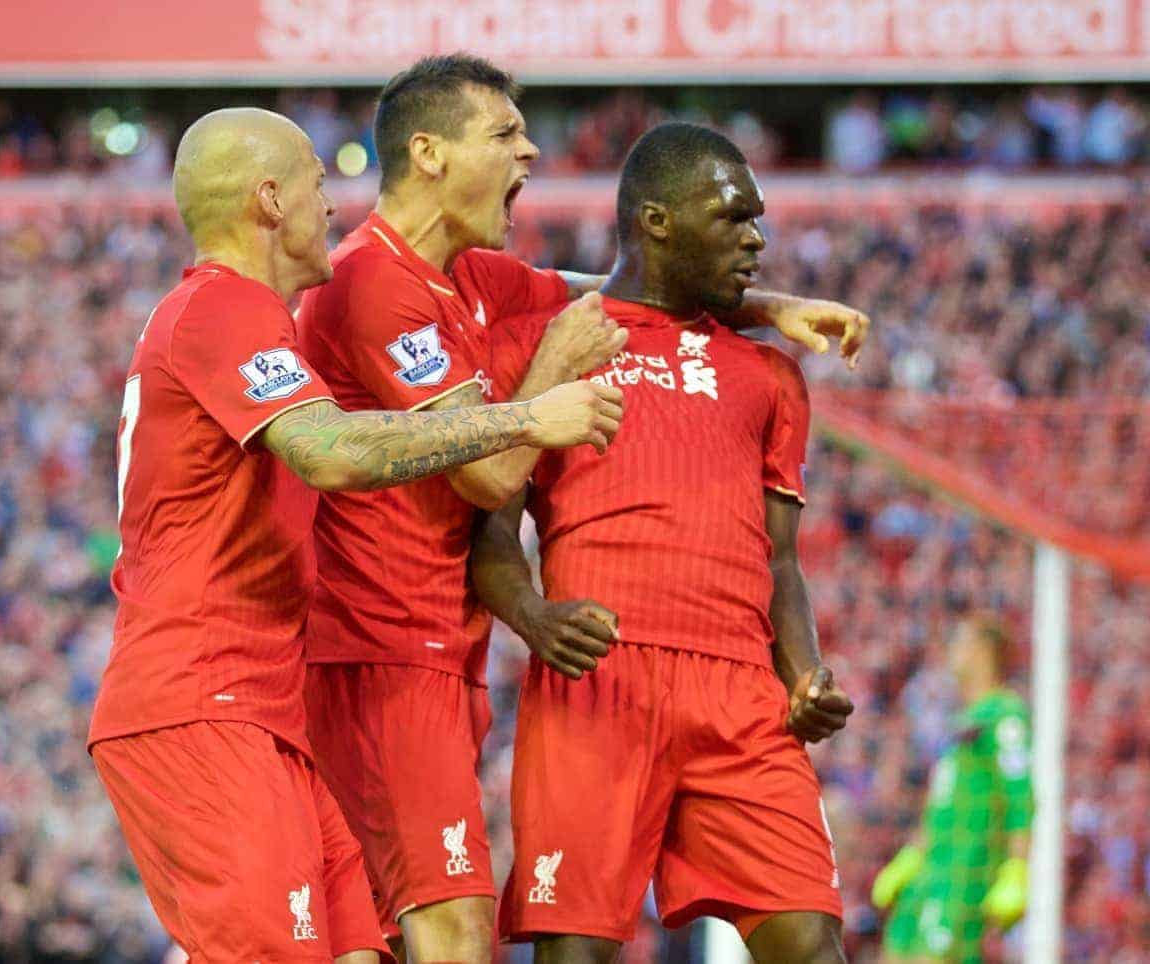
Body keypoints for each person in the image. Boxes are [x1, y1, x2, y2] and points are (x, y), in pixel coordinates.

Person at [298, 55, 870, 964]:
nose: (532, 150)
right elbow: (489, 485)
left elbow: (611, 289)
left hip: (450, 652)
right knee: (447, 928)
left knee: (377, 937)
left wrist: (770, 305)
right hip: (381, 650)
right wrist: (550, 385)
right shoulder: (371, 283)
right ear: (431, 153)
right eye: (505, 134)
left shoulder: (480, 281)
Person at [86, 107, 624, 964]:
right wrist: (532, 414)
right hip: (199, 702)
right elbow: (331, 451)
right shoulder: (223, 306)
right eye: (314, 180)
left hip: (265, 709)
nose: (333, 202)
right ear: (269, 199)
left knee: (358, 950)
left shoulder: (242, 317)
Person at [471, 122, 855, 964]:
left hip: (743, 699)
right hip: (599, 679)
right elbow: (490, 526)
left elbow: (781, 560)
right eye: (733, 217)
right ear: (655, 220)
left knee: (812, 943)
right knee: (575, 952)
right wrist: (534, 618)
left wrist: (804, 674)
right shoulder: (548, 341)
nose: (758, 237)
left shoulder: (771, 375)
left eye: (758, 219)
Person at [872, 615, 1032, 964]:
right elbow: (942, 804)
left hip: (965, 875)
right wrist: (912, 856)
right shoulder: (962, 720)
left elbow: (1020, 797)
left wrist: (1017, 869)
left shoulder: (1005, 716)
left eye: (960, 642)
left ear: (983, 651)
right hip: (930, 871)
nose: (952, 652)